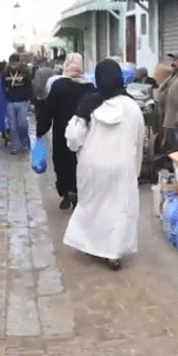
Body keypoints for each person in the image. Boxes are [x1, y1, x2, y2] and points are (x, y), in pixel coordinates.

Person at [63, 59, 145, 270]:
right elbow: (139, 139)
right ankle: (113, 254)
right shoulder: (132, 106)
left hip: (92, 165)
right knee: (118, 210)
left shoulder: (88, 103)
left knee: (92, 206)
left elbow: (73, 138)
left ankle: (90, 244)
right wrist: (134, 168)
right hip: (122, 166)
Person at [36, 53, 95, 210]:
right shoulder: (89, 86)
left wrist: (41, 129)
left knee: (62, 163)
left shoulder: (57, 85)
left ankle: (66, 191)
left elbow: (48, 109)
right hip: (84, 133)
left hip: (61, 132)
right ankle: (77, 191)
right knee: (79, 163)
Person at [2, 54, 33, 154]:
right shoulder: (5, 73)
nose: (14, 66)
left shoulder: (24, 73)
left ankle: (24, 142)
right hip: (10, 102)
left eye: (16, 63)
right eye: (12, 64)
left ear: (19, 63)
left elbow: (29, 86)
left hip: (22, 101)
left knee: (23, 124)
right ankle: (15, 146)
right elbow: (2, 86)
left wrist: (30, 100)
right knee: (13, 126)